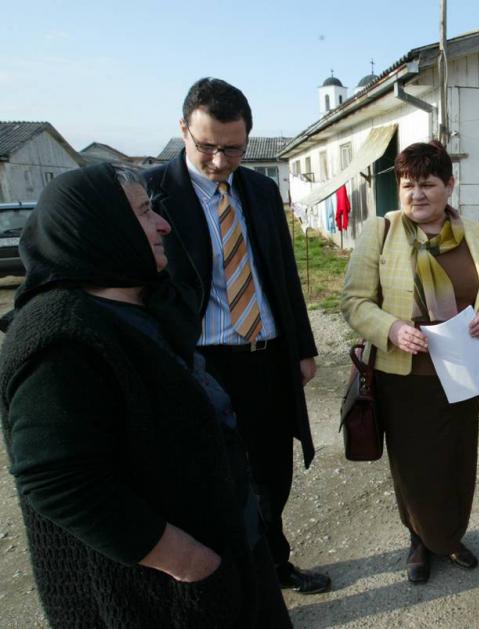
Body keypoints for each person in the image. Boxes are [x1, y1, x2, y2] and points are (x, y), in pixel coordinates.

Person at [0, 164, 291, 627]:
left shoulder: (144, 301)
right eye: (143, 212)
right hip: (165, 591)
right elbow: (59, 482)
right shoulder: (61, 337)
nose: (163, 225)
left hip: (230, 546)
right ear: (99, 226)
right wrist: (190, 562)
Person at [145, 78, 328, 594]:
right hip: (200, 363)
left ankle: (274, 565)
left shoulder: (260, 191)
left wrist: (303, 349)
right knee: (213, 477)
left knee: (273, 474)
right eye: (208, 146)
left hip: (265, 357)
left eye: (234, 149)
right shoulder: (152, 194)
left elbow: (284, 275)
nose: (220, 161)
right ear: (183, 130)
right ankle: (227, 582)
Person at [341, 141, 479, 584]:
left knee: (457, 460)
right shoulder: (381, 231)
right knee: (413, 467)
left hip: (463, 371)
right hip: (404, 376)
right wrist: (392, 329)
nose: (416, 194)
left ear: (449, 186)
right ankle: (419, 539)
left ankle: (449, 537)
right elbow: (355, 301)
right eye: (407, 185)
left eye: (427, 184)